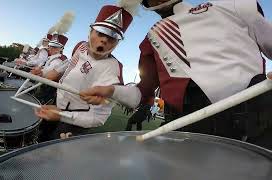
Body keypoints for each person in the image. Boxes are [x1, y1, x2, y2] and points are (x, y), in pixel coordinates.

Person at [80, 0, 272, 149]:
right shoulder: (151, 38)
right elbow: (141, 93)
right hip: (189, 135)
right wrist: (111, 91)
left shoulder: (235, 5)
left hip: (258, 124)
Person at [35, 0, 142, 140]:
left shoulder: (112, 68)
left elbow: (98, 117)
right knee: (37, 140)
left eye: (112, 37)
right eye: (100, 33)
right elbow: (68, 64)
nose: (104, 40)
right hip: (56, 105)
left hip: (74, 124)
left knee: (55, 157)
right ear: (90, 31)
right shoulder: (81, 46)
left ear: (117, 43)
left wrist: (62, 115)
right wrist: (42, 73)